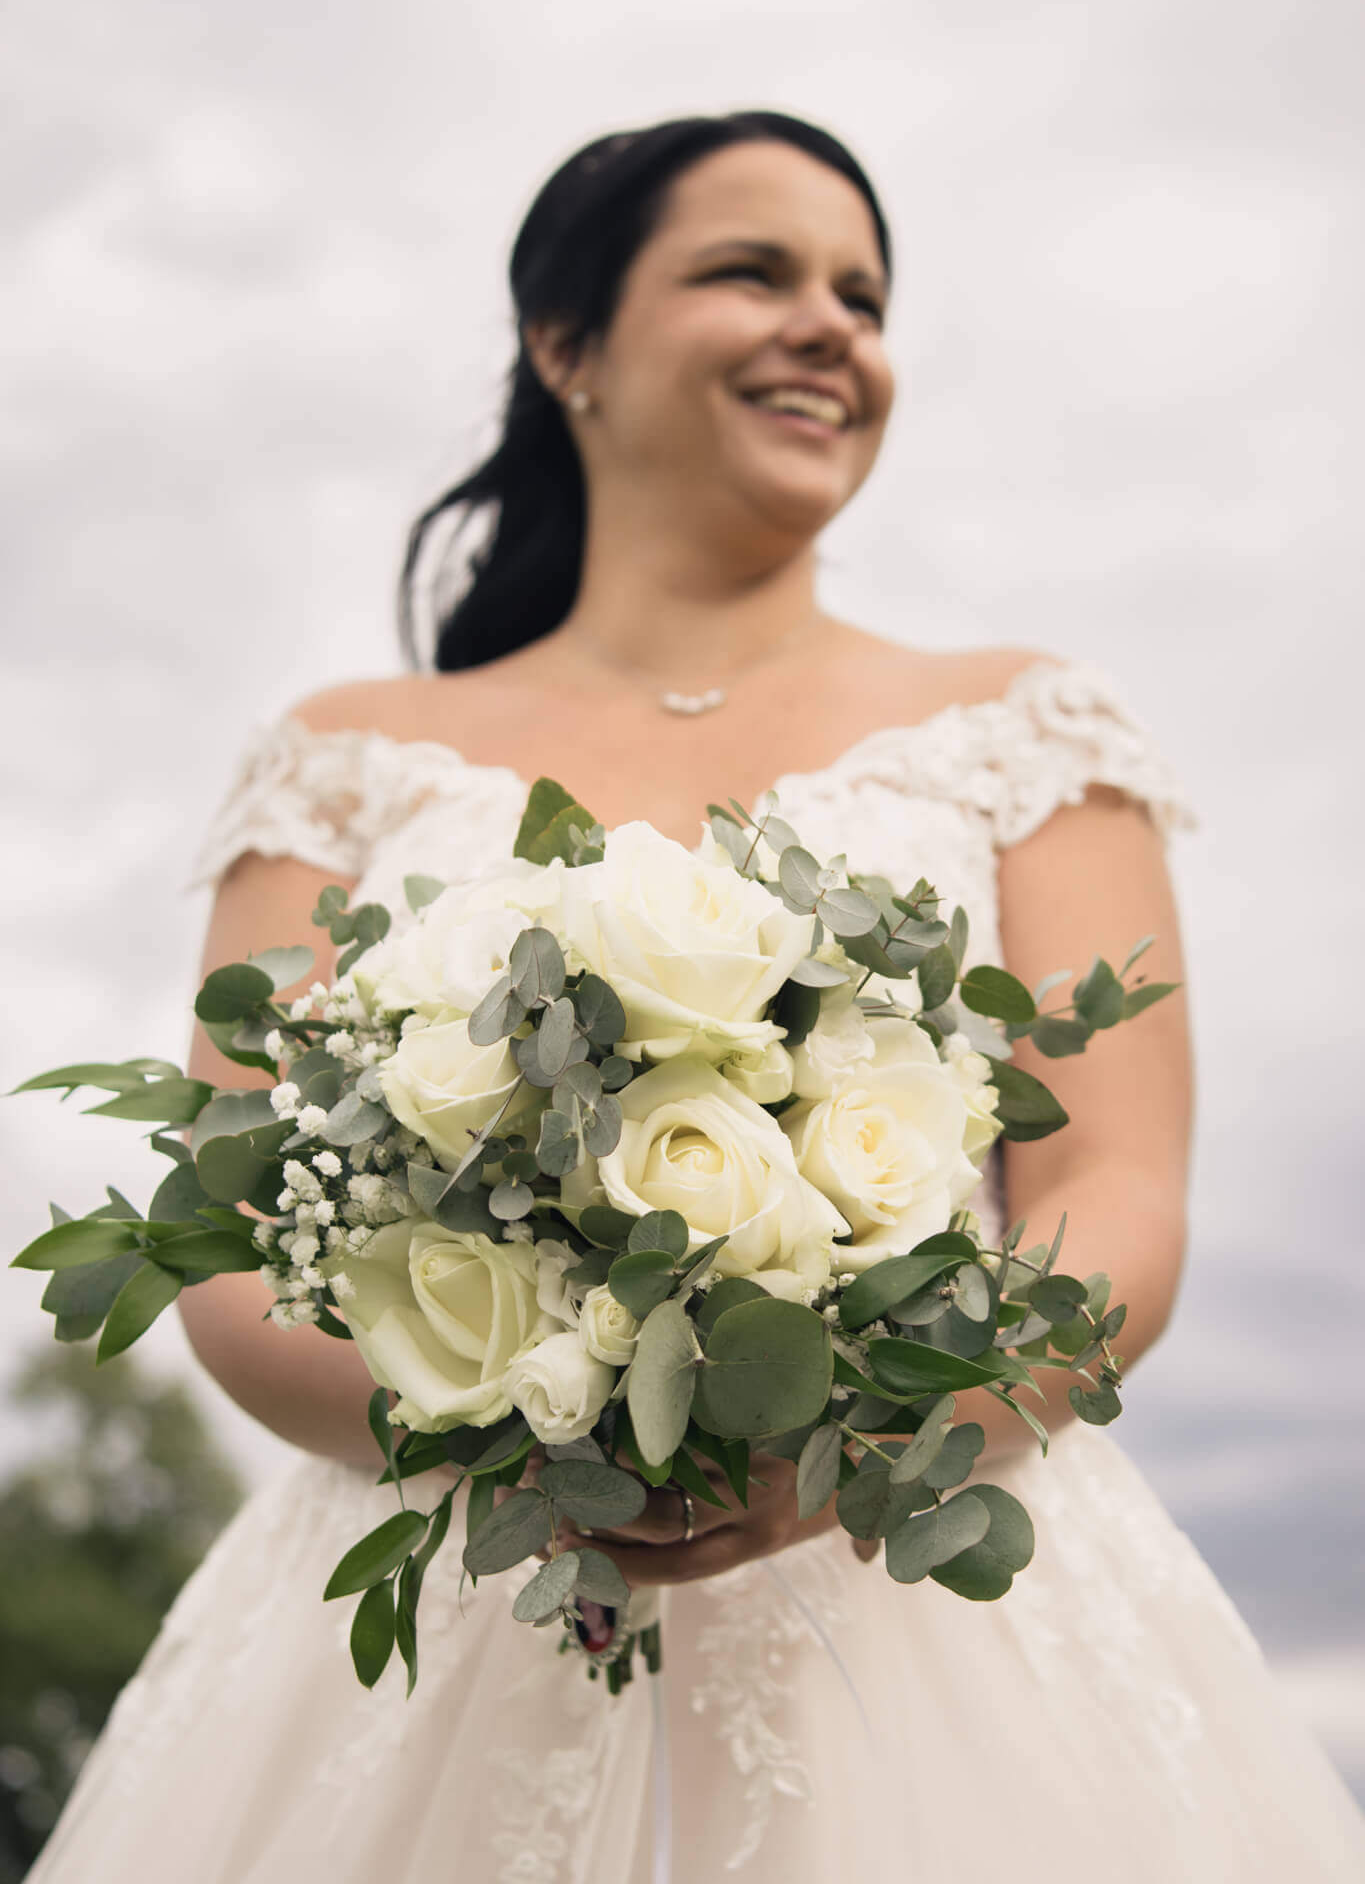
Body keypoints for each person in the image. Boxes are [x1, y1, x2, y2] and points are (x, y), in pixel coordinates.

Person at [27, 112, 1364, 1883]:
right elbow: (236, 1239)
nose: (832, 326)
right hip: (443, 1600)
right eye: (753, 271)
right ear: (565, 345)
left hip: (927, 1592)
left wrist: (838, 1441)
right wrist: (558, 1430)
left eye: (862, 295)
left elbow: (1113, 1199)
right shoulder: (342, 762)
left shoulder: (1028, 734)